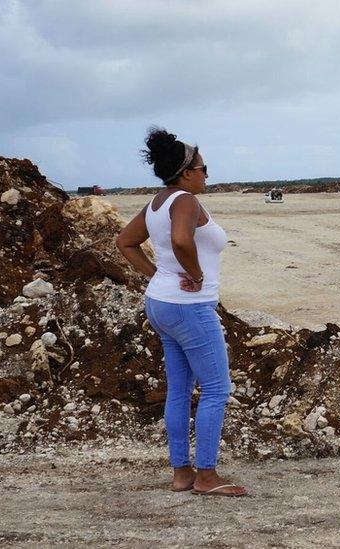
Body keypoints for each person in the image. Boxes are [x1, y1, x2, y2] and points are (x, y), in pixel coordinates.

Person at [116, 128, 247, 497]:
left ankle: (182, 473)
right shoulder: (186, 201)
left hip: (160, 303)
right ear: (186, 172)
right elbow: (180, 240)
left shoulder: (157, 201)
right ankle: (206, 476)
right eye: (204, 168)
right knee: (217, 389)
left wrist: (159, 274)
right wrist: (194, 274)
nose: (207, 174)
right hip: (189, 307)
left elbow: (124, 241)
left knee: (179, 390)